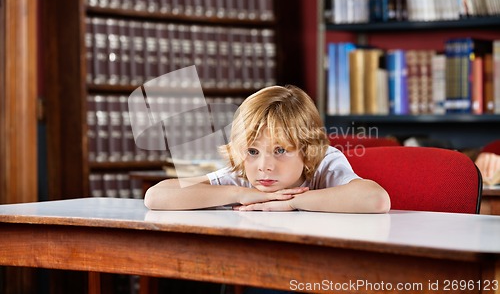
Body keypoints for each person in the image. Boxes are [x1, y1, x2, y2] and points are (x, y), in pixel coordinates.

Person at [144, 85, 391, 213]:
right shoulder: (244, 175)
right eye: (253, 151)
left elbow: (376, 199)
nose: (264, 165)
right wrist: (237, 194)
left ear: (308, 151)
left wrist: (292, 202)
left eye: (280, 150)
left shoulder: (324, 162)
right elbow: (156, 196)